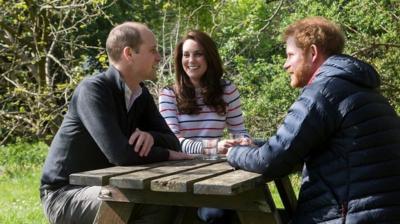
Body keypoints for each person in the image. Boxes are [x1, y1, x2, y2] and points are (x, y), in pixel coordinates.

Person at [227, 16, 400, 223]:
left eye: (290, 55)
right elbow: (304, 145)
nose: (285, 65)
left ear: (312, 53)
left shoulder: (323, 92)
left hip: (345, 216)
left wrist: (233, 153)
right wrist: (256, 144)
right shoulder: (360, 88)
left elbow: (270, 162)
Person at [40, 22, 191, 224]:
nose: (158, 57)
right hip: (65, 194)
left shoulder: (141, 94)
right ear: (129, 54)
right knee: (142, 202)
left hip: (111, 188)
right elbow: (120, 154)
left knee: (173, 204)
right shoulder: (92, 91)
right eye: (153, 50)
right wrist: (166, 154)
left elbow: (174, 142)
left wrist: (151, 136)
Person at [159, 30, 252, 224]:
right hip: (178, 173)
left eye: (198, 53)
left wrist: (244, 140)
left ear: (209, 56)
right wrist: (214, 146)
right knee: (217, 214)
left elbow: (239, 129)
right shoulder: (168, 95)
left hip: (217, 170)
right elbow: (173, 142)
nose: (191, 60)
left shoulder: (227, 90)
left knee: (242, 205)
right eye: (186, 55)